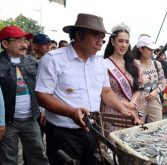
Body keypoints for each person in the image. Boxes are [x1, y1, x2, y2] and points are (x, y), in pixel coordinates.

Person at [35, 13, 141, 164]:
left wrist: (123, 109)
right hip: (63, 133)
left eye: (102, 38)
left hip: (92, 130)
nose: (101, 42)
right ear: (79, 35)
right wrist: (71, 112)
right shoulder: (53, 59)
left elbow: (106, 92)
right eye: (96, 37)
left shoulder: (99, 63)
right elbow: (42, 95)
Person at [0, 25, 49, 164]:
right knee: (8, 158)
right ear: (5, 43)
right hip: (8, 121)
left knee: (38, 155)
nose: (24, 44)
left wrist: (42, 109)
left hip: (31, 118)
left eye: (25, 40)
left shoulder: (32, 62)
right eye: (18, 40)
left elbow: (40, 88)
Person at [102, 23, 143, 134]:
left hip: (131, 111)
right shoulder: (103, 64)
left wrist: (132, 102)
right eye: (120, 41)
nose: (124, 45)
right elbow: (102, 93)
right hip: (112, 112)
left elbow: (139, 88)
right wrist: (124, 104)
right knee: (113, 146)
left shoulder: (134, 64)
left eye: (127, 42)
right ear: (112, 42)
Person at [133, 35, 166, 123]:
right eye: (149, 49)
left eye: (152, 50)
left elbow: (163, 82)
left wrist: (156, 91)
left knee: (156, 126)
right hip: (139, 102)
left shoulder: (157, 64)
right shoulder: (134, 65)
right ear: (141, 49)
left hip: (155, 100)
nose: (152, 52)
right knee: (139, 127)